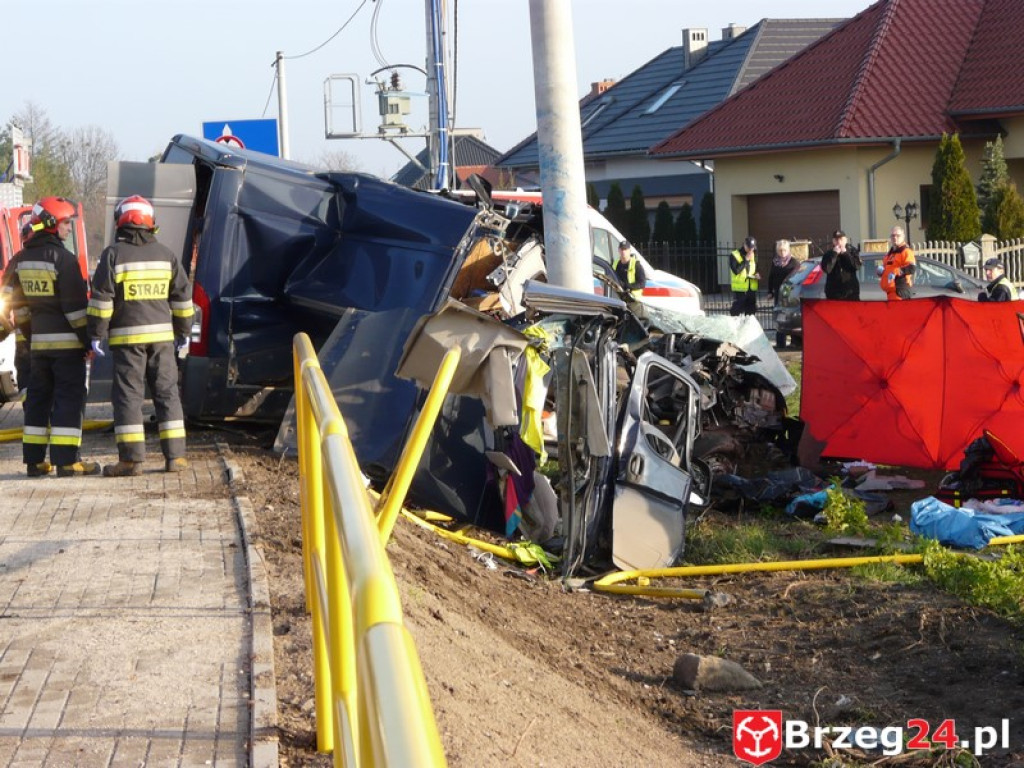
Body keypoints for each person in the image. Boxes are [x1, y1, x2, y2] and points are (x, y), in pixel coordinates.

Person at [87, 195, 194, 476]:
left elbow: (101, 300)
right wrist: (183, 332)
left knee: (128, 397)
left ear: (120, 222)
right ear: (150, 223)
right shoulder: (167, 255)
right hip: (162, 341)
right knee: (167, 393)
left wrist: (96, 334)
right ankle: (176, 458)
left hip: (127, 342)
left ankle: (131, 461)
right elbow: (183, 298)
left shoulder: (113, 255)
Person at [0, 197, 99, 477]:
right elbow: (75, 311)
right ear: (52, 224)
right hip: (67, 348)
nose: (68, 228)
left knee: (38, 400)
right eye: (66, 223)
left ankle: (34, 462)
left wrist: (30, 333)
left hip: (38, 348)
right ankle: (66, 462)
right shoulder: (64, 260)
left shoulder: (20, 260)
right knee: (68, 398)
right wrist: (87, 341)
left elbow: (15, 304)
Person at [820, 229, 862, 300]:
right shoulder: (828, 254)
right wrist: (834, 254)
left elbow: (856, 266)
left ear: (846, 240)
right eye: (836, 240)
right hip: (834, 294)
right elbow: (827, 269)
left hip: (851, 293)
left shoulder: (852, 252)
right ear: (833, 241)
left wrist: (845, 254)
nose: (839, 242)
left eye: (841, 239)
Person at [880, 226, 916, 300]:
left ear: (903, 237)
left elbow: (912, 268)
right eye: (893, 235)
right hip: (890, 291)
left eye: (898, 236)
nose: (895, 238)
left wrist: (898, 271)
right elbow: (886, 268)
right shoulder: (890, 253)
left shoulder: (906, 251)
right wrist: (881, 271)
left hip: (900, 291)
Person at [729, 236, 760, 316]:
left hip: (751, 287)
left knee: (751, 311)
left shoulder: (754, 254)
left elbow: (756, 267)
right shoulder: (734, 255)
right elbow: (736, 270)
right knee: (737, 310)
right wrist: (746, 259)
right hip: (740, 288)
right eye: (749, 247)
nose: (750, 250)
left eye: (752, 248)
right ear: (744, 245)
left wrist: (757, 274)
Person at [767, 239, 800, 306]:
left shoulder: (794, 262)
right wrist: (770, 291)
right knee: (777, 310)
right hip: (777, 292)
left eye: (784, 250)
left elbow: (797, 278)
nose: (782, 252)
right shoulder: (775, 262)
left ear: (788, 250)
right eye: (780, 250)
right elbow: (771, 276)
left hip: (789, 293)